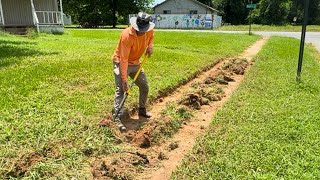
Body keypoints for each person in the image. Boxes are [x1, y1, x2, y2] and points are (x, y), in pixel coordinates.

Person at [112, 12, 155, 131]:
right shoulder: (126, 35)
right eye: (139, 29)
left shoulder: (149, 30)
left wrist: (150, 46)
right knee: (121, 89)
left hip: (136, 63)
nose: (142, 32)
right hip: (121, 61)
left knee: (144, 86)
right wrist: (124, 79)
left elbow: (151, 37)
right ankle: (117, 117)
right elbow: (124, 59)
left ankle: (142, 110)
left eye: (144, 30)